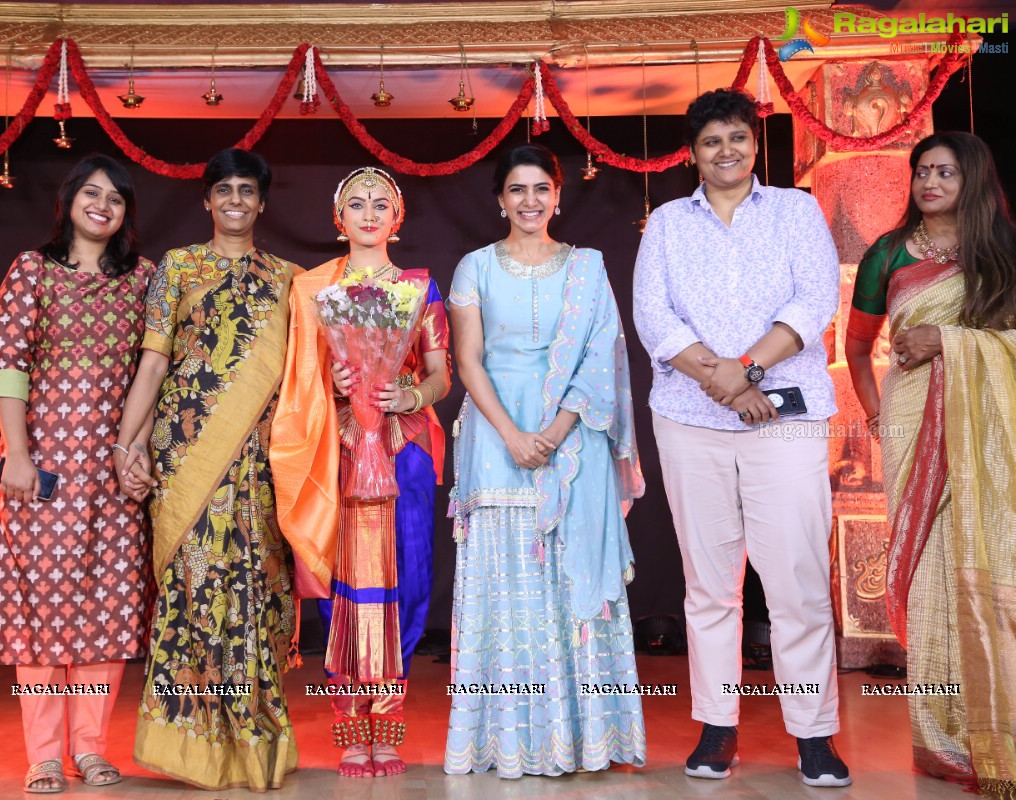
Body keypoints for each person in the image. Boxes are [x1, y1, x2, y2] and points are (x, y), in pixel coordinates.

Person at [632, 87, 849, 788]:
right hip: (690, 418)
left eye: (737, 138)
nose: (726, 152)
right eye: (711, 142)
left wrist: (749, 370)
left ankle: (814, 735)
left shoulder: (797, 209)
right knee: (710, 586)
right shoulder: (666, 222)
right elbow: (652, 315)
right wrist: (720, 380)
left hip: (783, 417)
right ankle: (717, 727)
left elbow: (814, 300)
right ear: (691, 154)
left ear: (755, 144)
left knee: (798, 582)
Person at [443, 143, 645, 778]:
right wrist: (510, 434)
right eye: (517, 190)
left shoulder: (588, 267)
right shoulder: (473, 266)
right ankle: (507, 740)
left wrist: (554, 433)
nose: (530, 201)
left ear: (557, 196)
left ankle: (580, 739)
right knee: (505, 584)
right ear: (499, 199)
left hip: (572, 442)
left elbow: (601, 358)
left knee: (565, 579)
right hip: (494, 439)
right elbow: (468, 360)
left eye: (541, 189)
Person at [114, 148, 301, 792]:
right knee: (194, 596)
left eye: (247, 191)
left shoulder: (287, 280)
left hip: (259, 463)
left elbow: (307, 380)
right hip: (186, 457)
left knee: (255, 592)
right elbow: (154, 364)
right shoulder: (178, 267)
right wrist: (126, 445)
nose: (235, 202)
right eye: (223, 191)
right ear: (206, 200)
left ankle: (250, 736)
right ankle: (192, 742)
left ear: (262, 202)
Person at [845, 131, 1016, 800]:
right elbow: (858, 348)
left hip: (990, 436)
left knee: (987, 569)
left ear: (971, 178)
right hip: (913, 422)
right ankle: (945, 740)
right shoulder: (887, 254)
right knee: (922, 578)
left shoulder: (1001, 250)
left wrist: (947, 338)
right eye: (922, 172)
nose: (929, 182)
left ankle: (996, 735)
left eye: (944, 171)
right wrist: (879, 417)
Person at [272, 167, 450, 778]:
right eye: (357, 204)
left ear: (396, 218)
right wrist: (334, 382)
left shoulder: (420, 289)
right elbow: (298, 379)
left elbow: (440, 374)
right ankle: (352, 727)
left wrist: (412, 395)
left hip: (404, 449)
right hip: (340, 449)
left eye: (381, 204)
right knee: (344, 586)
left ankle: (390, 725)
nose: (369, 214)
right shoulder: (313, 291)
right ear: (338, 217)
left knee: (408, 581)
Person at [0, 154, 155, 793]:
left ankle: (90, 747)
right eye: (92, 193)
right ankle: (45, 753)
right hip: (43, 465)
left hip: (112, 469)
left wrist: (135, 453)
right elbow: (9, 368)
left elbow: (153, 373)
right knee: (41, 607)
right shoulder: (33, 271)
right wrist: (19, 454)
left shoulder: (142, 278)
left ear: (125, 213)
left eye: (115, 198)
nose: (103, 206)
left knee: (105, 610)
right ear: (69, 201)